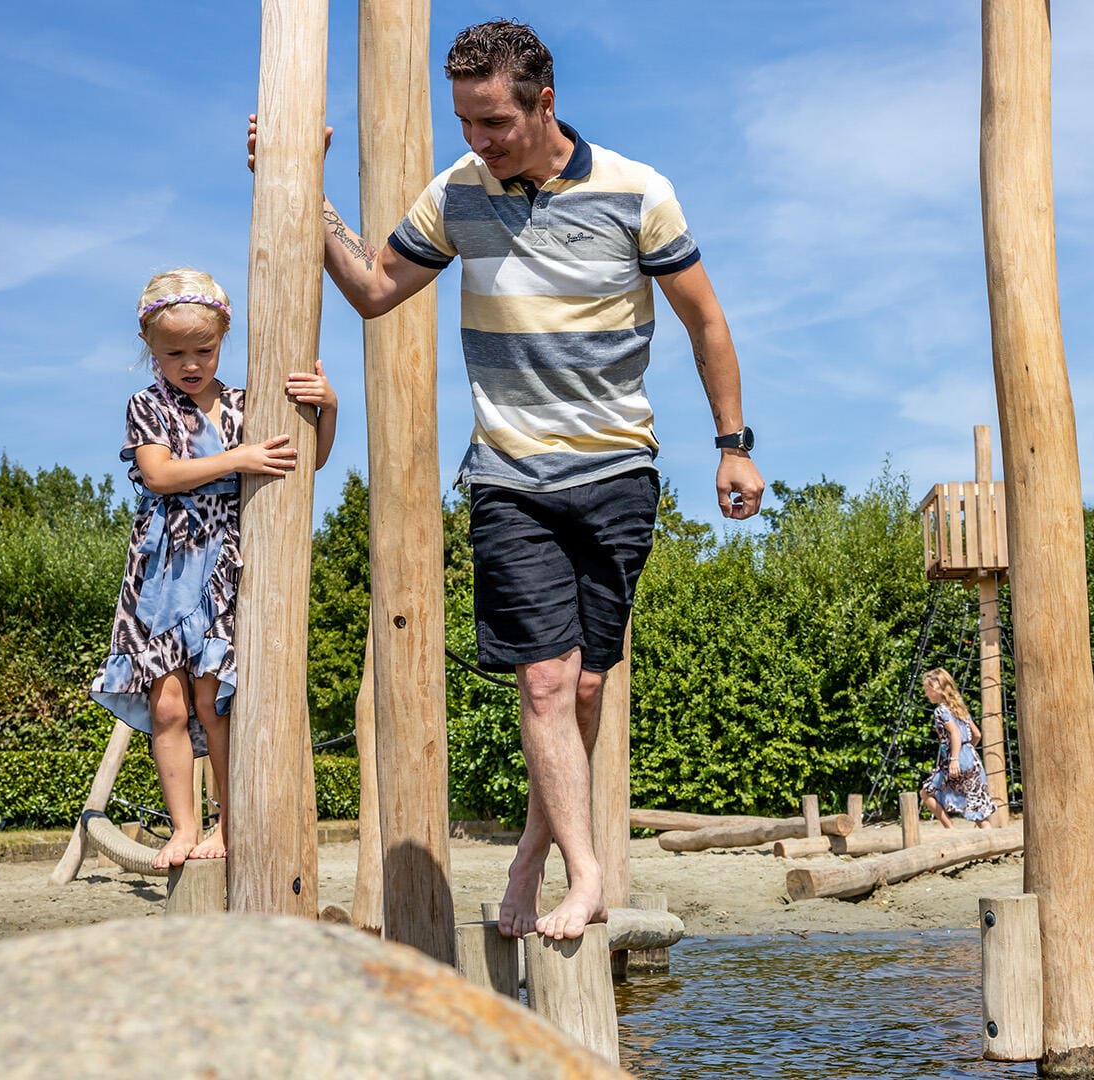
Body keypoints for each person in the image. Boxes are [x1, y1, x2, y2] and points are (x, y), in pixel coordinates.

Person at [249, 19, 763, 940]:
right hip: (510, 476)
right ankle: (585, 869)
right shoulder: (458, 193)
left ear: (545, 102)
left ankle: (531, 855)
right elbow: (372, 287)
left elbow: (706, 323)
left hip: (617, 470)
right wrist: (302, 189)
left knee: (588, 689)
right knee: (543, 685)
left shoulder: (639, 193)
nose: (476, 141)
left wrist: (733, 442)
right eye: (465, 122)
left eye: (492, 122)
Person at [89, 268, 338, 870]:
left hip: (224, 568)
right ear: (148, 344)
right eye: (174, 352)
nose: (190, 364)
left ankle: (228, 820)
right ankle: (181, 826)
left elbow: (308, 464)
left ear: (225, 336)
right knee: (168, 705)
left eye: (203, 350)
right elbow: (160, 475)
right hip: (162, 573)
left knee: (212, 700)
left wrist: (327, 410)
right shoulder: (148, 405)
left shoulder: (246, 405)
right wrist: (238, 458)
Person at [918, 669, 997, 828]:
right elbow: (977, 734)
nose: (926, 694)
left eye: (928, 689)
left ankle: (951, 830)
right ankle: (991, 844)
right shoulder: (959, 708)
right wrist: (967, 753)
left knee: (926, 792)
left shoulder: (941, 710)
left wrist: (955, 759)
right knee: (976, 807)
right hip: (973, 760)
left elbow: (955, 733)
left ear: (938, 689)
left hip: (955, 761)